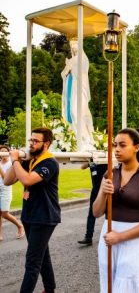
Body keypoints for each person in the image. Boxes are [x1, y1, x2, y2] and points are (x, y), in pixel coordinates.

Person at [93, 128, 139, 292]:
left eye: (122, 145)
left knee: (130, 284)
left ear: (136, 147)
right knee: (109, 283)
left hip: (134, 241)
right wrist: (103, 191)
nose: (117, 149)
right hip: (108, 237)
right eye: (115, 145)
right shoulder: (109, 174)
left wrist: (120, 236)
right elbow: (96, 212)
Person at [4, 128, 60, 293]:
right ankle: (50, 289)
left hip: (45, 217)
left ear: (46, 144)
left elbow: (28, 179)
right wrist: (18, 162)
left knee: (32, 262)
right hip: (29, 215)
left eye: (36, 141)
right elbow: (7, 181)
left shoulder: (50, 163)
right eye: (31, 140)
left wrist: (14, 160)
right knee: (43, 256)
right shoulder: (29, 160)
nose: (31, 144)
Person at [61, 39, 95, 150]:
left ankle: (86, 139)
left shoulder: (83, 59)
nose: (74, 48)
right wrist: (67, 69)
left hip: (81, 88)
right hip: (72, 88)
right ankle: (77, 136)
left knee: (79, 112)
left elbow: (81, 69)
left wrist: (70, 66)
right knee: (72, 111)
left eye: (75, 46)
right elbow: (63, 74)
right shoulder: (71, 60)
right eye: (72, 47)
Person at [77, 161, 107, 245]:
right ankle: (88, 237)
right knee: (91, 214)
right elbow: (82, 166)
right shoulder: (92, 159)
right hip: (95, 191)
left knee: (109, 215)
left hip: (106, 191)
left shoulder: (105, 158)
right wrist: (90, 163)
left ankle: (109, 235)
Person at [0, 145, 24, 241]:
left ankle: (19, 226)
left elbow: (5, 178)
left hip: (5, 190)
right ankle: (0, 235)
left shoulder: (11, 164)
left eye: (5, 152)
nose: (3, 154)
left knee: (5, 213)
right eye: (1, 152)